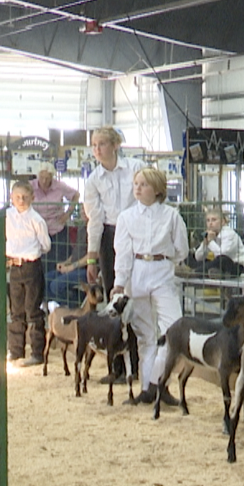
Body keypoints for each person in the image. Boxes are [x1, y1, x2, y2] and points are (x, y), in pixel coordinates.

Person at [112, 167, 187, 405]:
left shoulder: (171, 215)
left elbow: (181, 249)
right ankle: (148, 389)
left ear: (157, 190)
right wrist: (119, 283)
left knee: (173, 328)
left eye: (143, 184)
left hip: (162, 270)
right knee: (145, 335)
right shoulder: (126, 217)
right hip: (136, 272)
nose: (138, 188)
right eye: (136, 183)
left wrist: (166, 259)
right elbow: (122, 253)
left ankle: (156, 383)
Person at [84, 126, 144, 383]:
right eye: (94, 145)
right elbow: (94, 220)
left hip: (138, 232)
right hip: (109, 236)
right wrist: (92, 256)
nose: (97, 149)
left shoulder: (135, 168)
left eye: (102, 144)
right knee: (115, 299)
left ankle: (140, 364)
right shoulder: (93, 180)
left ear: (115, 145)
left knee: (138, 294)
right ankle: (118, 366)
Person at [0, 181, 51, 364]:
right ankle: (15, 350)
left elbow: (46, 245)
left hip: (31, 266)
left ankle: (37, 353)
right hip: (14, 265)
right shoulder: (6, 216)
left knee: (33, 309)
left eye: (24, 197)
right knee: (16, 310)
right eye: (17, 197)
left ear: (32, 198)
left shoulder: (37, 220)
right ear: (11, 198)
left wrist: (31, 252)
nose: (21, 200)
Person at [32, 167, 79, 270]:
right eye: (42, 178)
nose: (44, 181)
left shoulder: (59, 186)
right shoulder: (30, 186)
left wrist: (68, 213)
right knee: (39, 264)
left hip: (57, 230)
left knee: (58, 262)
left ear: (52, 177)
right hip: (38, 232)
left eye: (47, 178)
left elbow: (76, 195)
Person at [46, 209, 90, 307]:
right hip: (74, 267)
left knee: (56, 286)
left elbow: (92, 256)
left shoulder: (96, 229)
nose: (82, 211)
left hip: (87, 269)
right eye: (82, 209)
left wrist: (71, 267)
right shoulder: (82, 227)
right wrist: (65, 263)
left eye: (85, 209)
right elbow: (76, 252)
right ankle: (70, 304)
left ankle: (82, 302)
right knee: (44, 281)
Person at [190, 208, 244, 276]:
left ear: (222, 222)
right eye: (208, 220)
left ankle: (195, 272)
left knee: (222, 260)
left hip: (234, 266)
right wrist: (205, 244)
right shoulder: (211, 234)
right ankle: (213, 272)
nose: (210, 223)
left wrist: (210, 242)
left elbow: (222, 255)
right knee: (190, 256)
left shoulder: (229, 234)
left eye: (214, 220)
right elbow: (198, 257)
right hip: (217, 264)